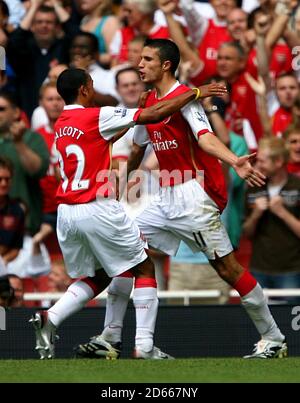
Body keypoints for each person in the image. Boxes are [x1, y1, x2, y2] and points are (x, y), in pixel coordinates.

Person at [75, 38, 286, 360]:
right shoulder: (150, 102)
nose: (140, 64)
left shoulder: (185, 99)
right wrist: (120, 188)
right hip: (165, 195)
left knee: (228, 269)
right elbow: (137, 148)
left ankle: (274, 339)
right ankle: (111, 337)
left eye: (147, 59)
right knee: (124, 246)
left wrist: (234, 161)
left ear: (165, 65)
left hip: (195, 194)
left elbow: (206, 138)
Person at [30, 67, 227, 360]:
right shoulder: (96, 114)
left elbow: (112, 130)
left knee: (99, 275)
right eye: (92, 84)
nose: (94, 88)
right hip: (96, 206)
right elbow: (152, 115)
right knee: (144, 268)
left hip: (67, 213)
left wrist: (136, 111)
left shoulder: (61, 123)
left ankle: (53, 317)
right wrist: (196, 92)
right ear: (84, 89)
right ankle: (145, 346)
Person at [243, 137, 300, 304]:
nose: (258, 165)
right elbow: (246, 233)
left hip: (292, 270)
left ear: (279, 161)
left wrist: (283, 213)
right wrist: (255, 216)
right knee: (258, 324)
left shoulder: (297, 186)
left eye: (262, 161)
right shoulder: (254, 187)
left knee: (291, 323)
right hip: (259, 269)